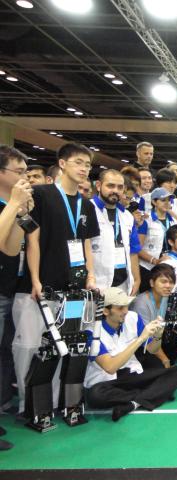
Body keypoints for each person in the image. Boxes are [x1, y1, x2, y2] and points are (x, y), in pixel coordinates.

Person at [12, 143, 100, 414]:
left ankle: (53, 405)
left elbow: (86, 244)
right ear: (62, 163)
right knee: (31, 347)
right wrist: (35, 279)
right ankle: (30, 407)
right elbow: (33, 239)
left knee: (64, 346)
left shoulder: (86, 204)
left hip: (73, 290)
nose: (84, 168)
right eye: (78, 162)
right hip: (41, 287)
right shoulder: (42, 194)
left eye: (88, 164)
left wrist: (90, 275)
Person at [83, 287, 177, 422]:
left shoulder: (133, 317)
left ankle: (133, 404)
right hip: (108, 381)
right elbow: (110, 367)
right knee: (95, 395)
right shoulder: (92, 333)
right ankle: (154, 393)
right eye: (120, 308)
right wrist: (140, 339)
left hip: (133, 375)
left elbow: (152, 349)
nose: (125, 311)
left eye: (126, 305)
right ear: (105, 311)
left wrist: (157, 336)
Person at [0, 145, 33, 450]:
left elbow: (10, 249)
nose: (25, 177)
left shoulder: (11, 204)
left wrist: (22, 214)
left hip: (7, 287)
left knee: (4, 354)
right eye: (19, 171)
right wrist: (13, 204)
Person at [90, 169, 141, 295]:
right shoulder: (88, 209)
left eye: (120, 187)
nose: (115, 190)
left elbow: (133, 251)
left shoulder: (127, 216)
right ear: (98, 185)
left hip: (123, 283)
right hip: (95, 283)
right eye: (110, 186)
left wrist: (136, 279)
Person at [130, 263, 175, 368]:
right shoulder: (141, 303)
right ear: (152, 283)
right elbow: (146, 341)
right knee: (159, 367)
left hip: (155, 340)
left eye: (171, 282)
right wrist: (165, 359)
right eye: (163, 281)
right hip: (140, 346)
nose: (168, 286)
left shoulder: (165, 297)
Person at [136, 188, 176, 292]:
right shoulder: (146, 221)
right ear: (154, 202)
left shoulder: (173, 221)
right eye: (163, 200)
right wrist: (154, 260)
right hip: (148, 267)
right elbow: (138, 248)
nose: (167, 203)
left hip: (167, 266)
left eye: (169, 200)